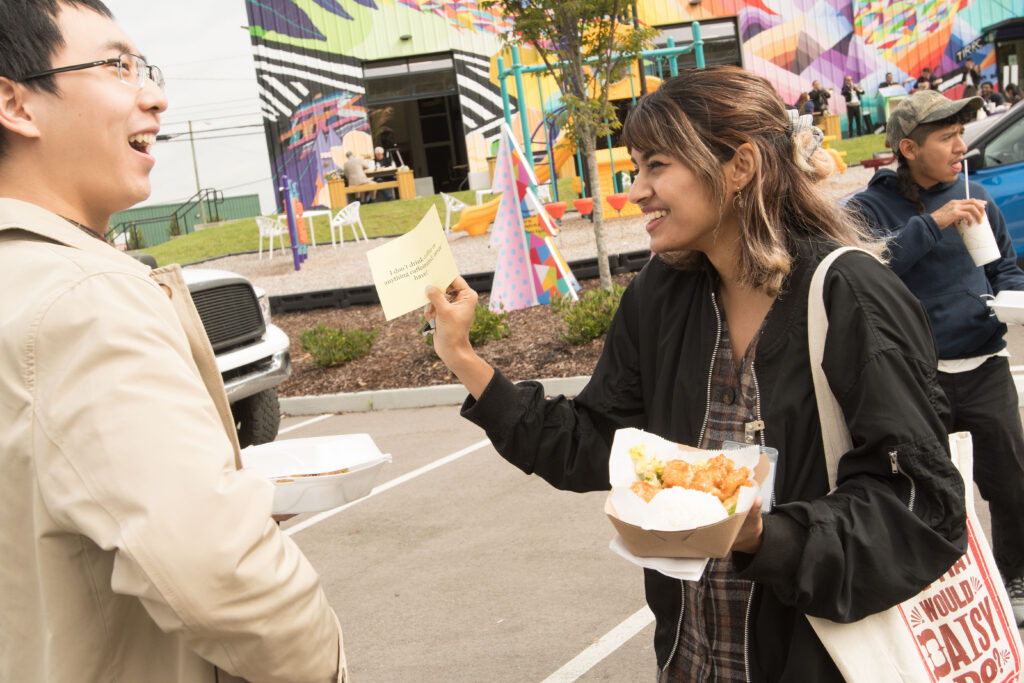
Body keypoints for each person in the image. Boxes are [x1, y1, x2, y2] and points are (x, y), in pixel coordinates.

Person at [426, 65, 966, 681]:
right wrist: (464, 358)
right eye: (637, 167)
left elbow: (923, 504)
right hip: (693, 658)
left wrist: (767, 537)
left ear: (739, 167)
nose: (636, 190)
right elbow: (597, 443)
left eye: (657, 165)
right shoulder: (662, 295)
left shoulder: (851, 294)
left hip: (818, 660)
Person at [0, 2, 347, 681]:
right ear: (15, 103)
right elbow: (220, 571)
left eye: (145, 68)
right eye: (116, 65)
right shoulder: (86, 299)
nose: (154, 95)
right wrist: (325, 664)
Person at [850, 89, 1024, 627]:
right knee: (930, 493)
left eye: (960, 134)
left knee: (1012, 484)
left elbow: (1005, 271)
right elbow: (868, 272)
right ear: (907, 147)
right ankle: (938, 592)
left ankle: (1014, 579)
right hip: (915, 377)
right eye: (946, 137)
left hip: (984, 364)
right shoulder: (867, 208)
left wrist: (1011, 301)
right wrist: (935, 222)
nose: (960, 146)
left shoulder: (979, 199)